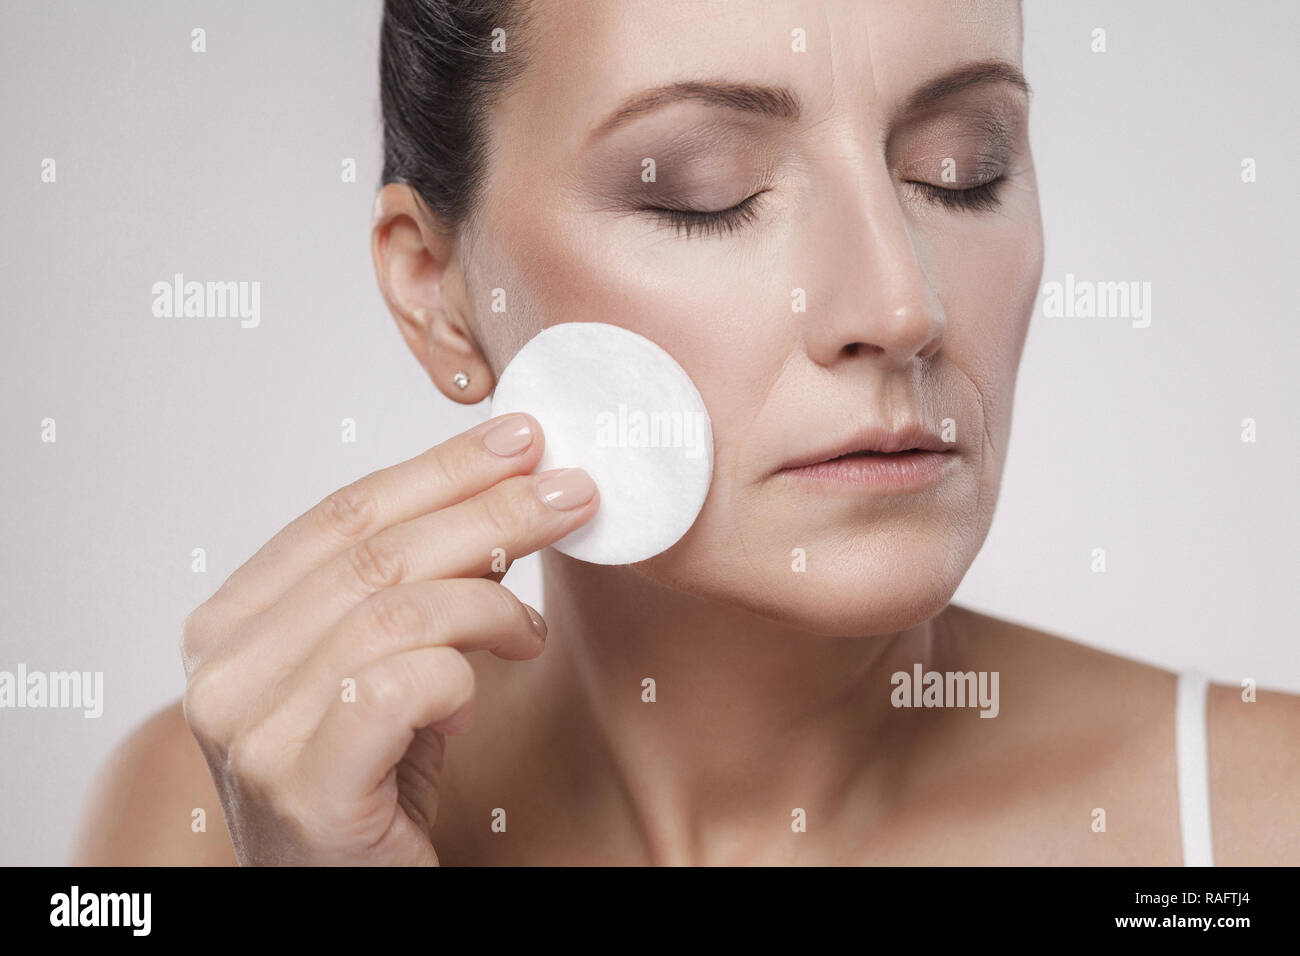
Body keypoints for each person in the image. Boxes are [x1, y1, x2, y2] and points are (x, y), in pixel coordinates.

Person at [71, 0, 1299, 866]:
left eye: (959, 171)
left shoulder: (1259, 819)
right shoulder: (215, 813)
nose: (901, 305)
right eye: (703, 191)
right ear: (439, 290)